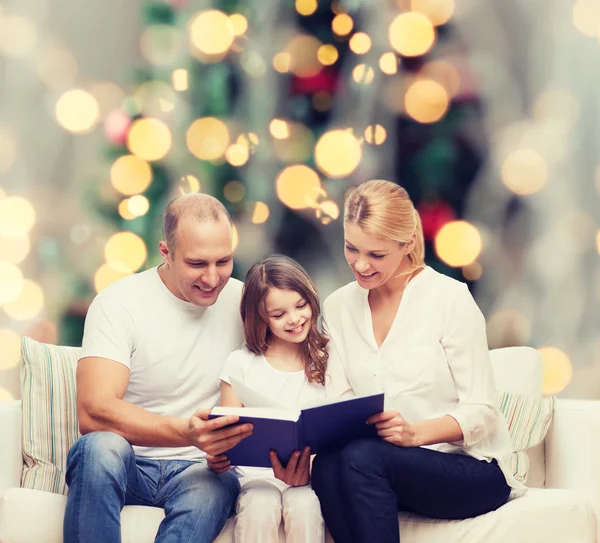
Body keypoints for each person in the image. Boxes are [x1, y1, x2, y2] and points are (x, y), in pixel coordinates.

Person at [311, 180, 526, 543]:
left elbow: (484, 411)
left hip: (471, 468)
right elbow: (342, 399)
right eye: (351, 248)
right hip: (380, 464)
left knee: (363, 458)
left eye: (376, 255)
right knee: (329, 464)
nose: (360, 265)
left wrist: (415, 434)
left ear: (408, 243)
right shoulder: (337, 307)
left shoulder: (449, 299)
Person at [64, 194, 253, 543]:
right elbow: (94, 412)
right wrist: (186, 431)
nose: (212, 278)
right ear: (165, 252)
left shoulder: (246, 303)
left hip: (202, 470)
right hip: (128, 464)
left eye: (223, 261)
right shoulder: (119, 303)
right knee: (99, 448)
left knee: (215, 485)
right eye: (197, 264)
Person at [209, 255, 327, 543]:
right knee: (259, 505)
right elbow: (223, 433)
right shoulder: (240, 364)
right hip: (255, 478)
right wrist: (216, 457)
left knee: (306, 506)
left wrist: (311, 469)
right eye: (279, 315)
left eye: (301, 306)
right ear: (260, 317)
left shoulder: (327, 358)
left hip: (308, 477)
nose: (295, 319)